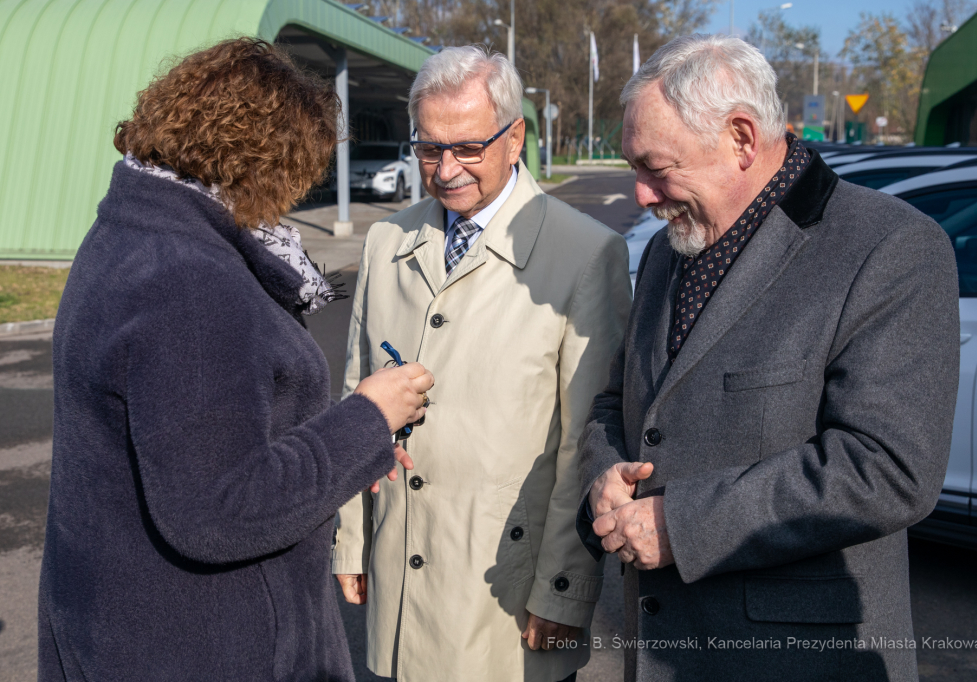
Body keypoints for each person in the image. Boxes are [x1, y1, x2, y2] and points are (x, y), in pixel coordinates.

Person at [38, 38, 433, 682]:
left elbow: (204, 435)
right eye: (299, 167)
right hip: (200, 643)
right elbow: (218, 510)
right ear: (262, 159)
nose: (299, 188)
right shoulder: (189, 283)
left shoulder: (134, 232)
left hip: (121, 622)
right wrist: (366, 420)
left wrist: (335, 445)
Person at [576, 34, 960, 682]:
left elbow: (888, 466)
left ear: (742, 139)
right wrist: (605, 474)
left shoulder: (891, 248)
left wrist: (683, 525)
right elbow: (620, 401)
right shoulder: (667, 250)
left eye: (655, 167)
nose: (640, 196)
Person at [332, 45, 632, 682]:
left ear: (515, 135)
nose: (445, 169)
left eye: (468, 147)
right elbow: (355, 398)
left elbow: (585, 442)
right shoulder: (386, 243)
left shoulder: (587, 254)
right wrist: (352, 537)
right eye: (428, 147)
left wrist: (563, 590)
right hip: (398, 572)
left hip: (508, 594)